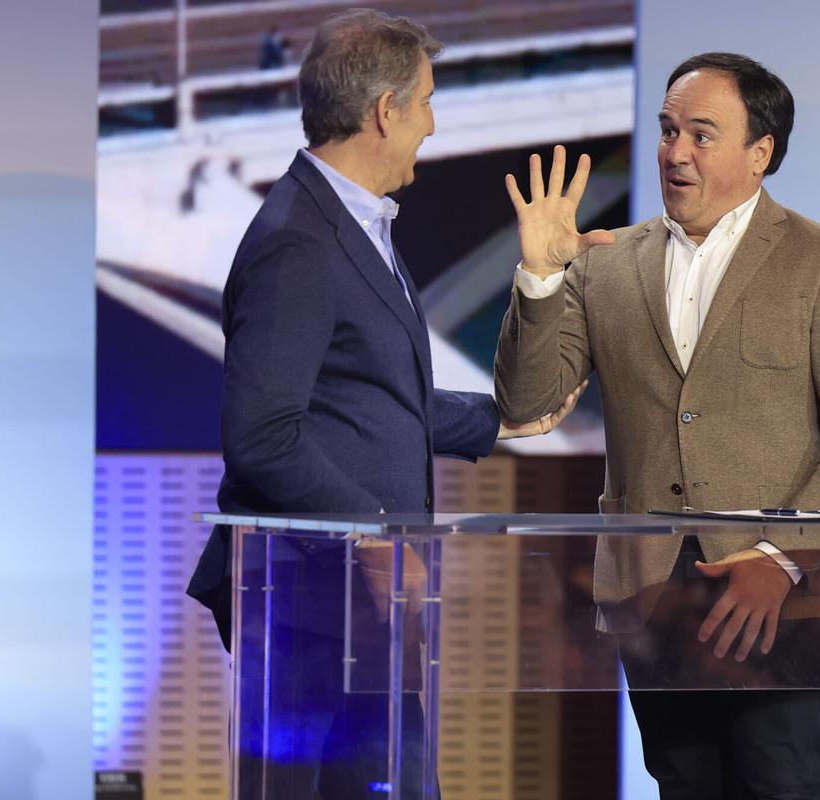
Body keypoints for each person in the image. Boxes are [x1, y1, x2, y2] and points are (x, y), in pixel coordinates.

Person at [188, 9, 582, 799]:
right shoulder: (298, 240)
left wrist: (496, 419)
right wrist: (372, 537)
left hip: (352, 615)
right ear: (385, 111)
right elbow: (264, 436)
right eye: (427, 102)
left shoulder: (351, 224)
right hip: (310, 610)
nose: (433, 125)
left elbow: (361, 396)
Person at [495, 52, 820, 799]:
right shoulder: (606, 264)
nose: (675, 152)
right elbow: (525, 406)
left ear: (760, 153)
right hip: (649, 590)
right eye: (667, 130)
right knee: (683, 786)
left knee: (781, 783)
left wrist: (779, 557)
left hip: (779, 591)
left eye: (701, 135)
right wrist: (542, 280)